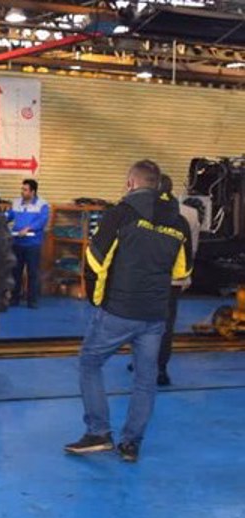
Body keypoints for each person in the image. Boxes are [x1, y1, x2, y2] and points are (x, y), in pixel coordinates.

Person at [64, 160, 193, 463]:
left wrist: (99, 302)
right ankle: (131, 444)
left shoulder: (120, 214)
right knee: (145, 380)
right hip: (155, 315)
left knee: (90, 363)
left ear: (132, 183)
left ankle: (98, 432)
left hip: (119, 310)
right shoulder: (180, 223)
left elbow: (95, 262)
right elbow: (182, 269)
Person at [156, 174, 200, 386]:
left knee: (142, 321)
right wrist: (185, 276)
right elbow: (192, 248)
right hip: (174, 279)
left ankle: (140, 361)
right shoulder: (189, 214)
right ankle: (161, 368)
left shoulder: (141, 211)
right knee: (166, 325)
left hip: (146, 279)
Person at [6, 179, 49, 308]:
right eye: (22, 189)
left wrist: (28, 228)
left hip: (32, 244)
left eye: (25, 190)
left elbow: (42, 221)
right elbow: (9, 215)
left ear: (33, 192)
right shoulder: (16, 202)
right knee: (16, 272)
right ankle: (14, 299)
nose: (22, 192)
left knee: (33, 273)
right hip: (17, 243)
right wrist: (0, 218)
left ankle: (32, 301)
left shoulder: (42, 205)